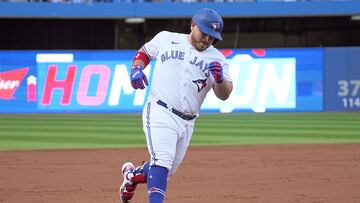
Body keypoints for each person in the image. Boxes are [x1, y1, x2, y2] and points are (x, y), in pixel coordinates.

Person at [119, 8, 233, 203]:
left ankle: (131, 176)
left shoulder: (218, 59)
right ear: (192, 25)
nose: (207, 39)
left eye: (212, 37)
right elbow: (145, 52)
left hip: (188, 121)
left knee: (165, 169)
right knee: (162, 161)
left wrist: (220, 79)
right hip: (160, 109)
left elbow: (225, 94)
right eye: (204, 33)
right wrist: (136, 70)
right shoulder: (166, 38)